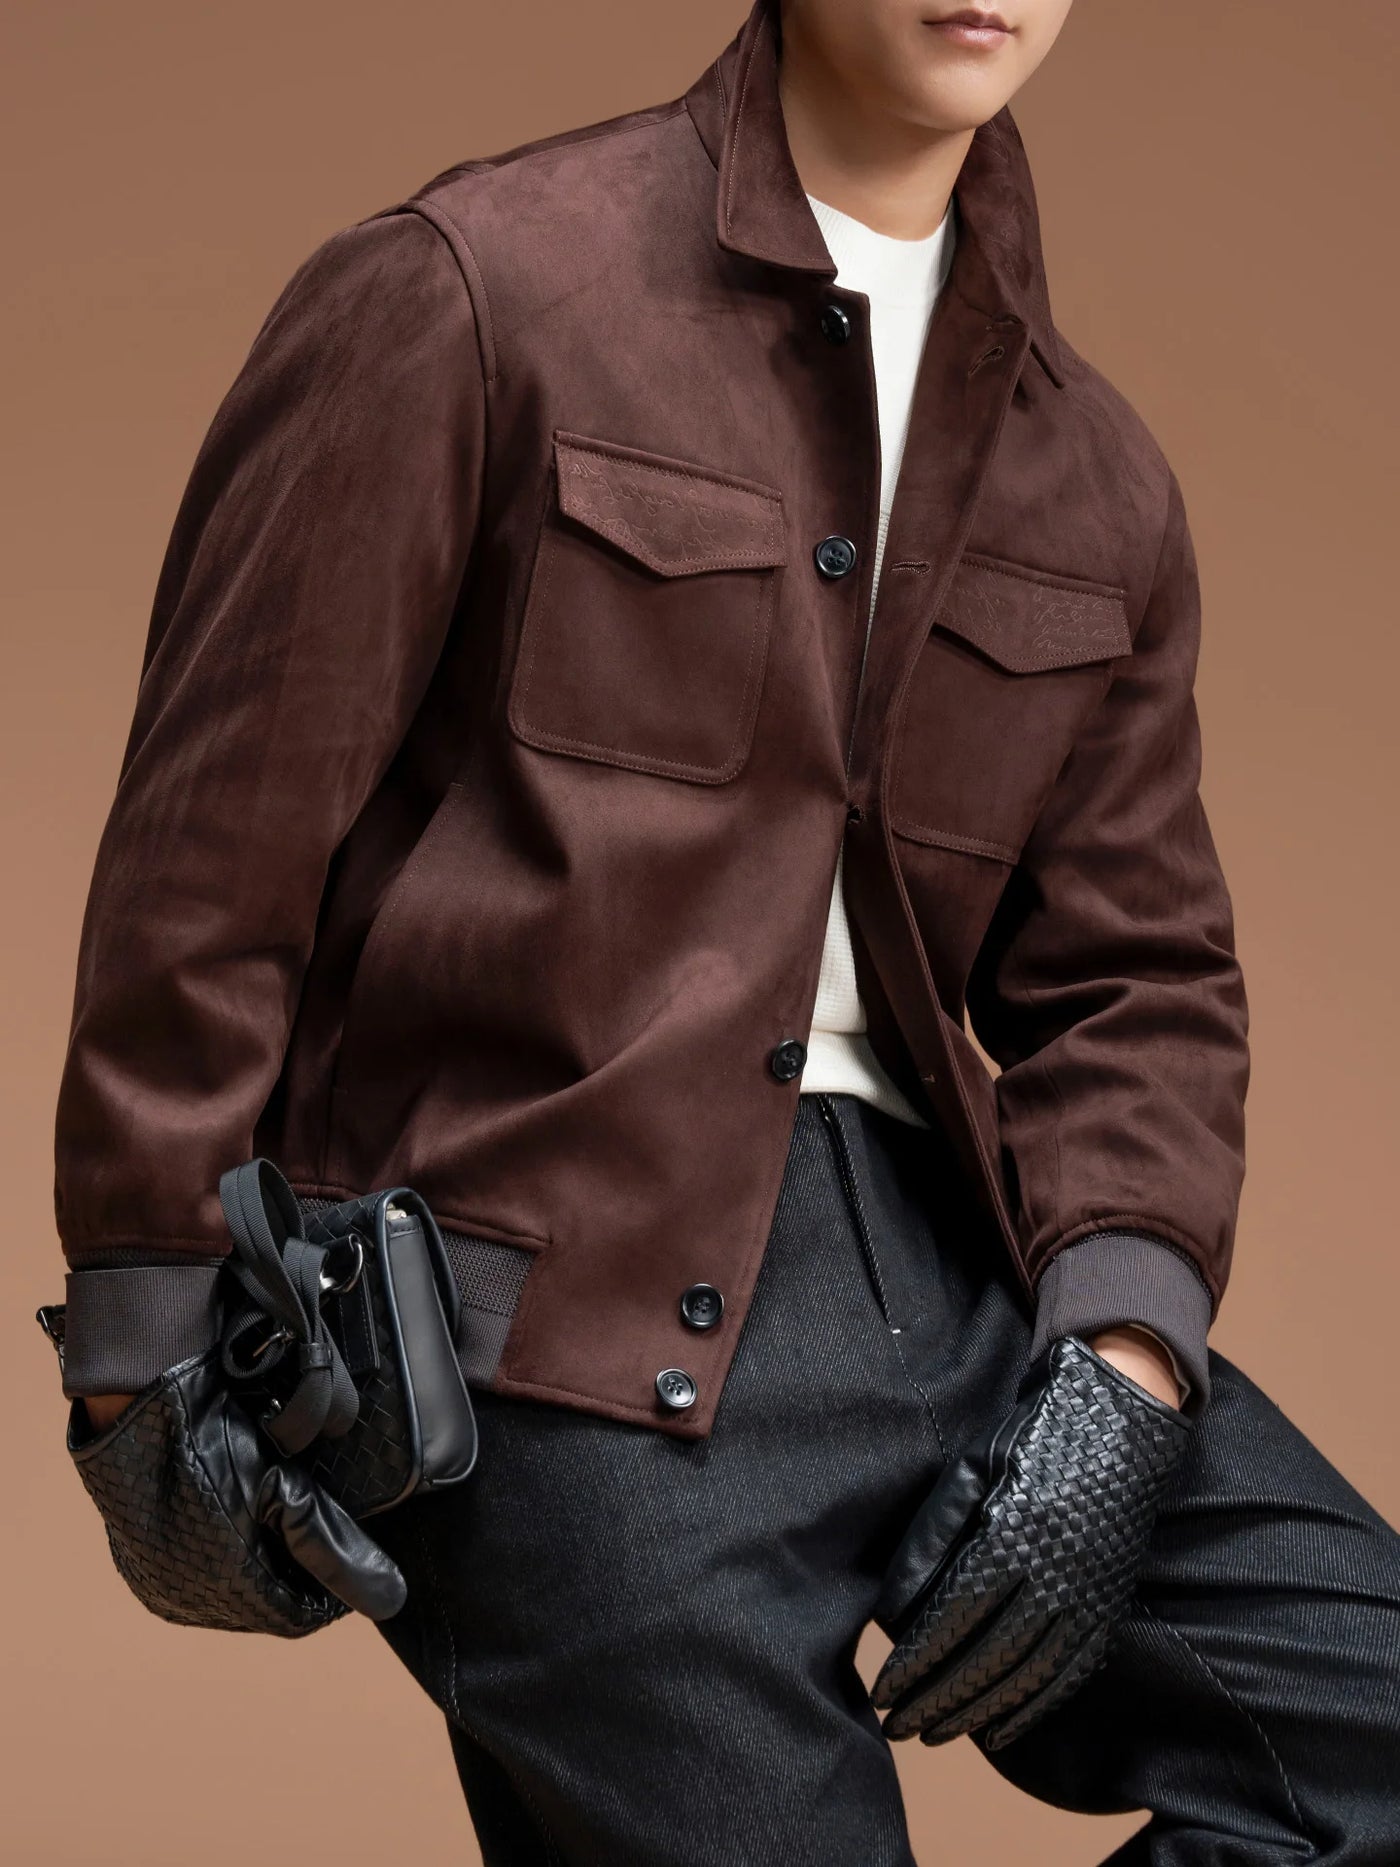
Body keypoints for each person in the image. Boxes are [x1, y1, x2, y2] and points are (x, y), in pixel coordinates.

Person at [51, 0, 1400, 1859]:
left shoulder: (1096, 475)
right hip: (559, 1333)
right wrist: (140, 1355)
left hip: (958, 1289)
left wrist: (1127, 1370)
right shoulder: (471, 291)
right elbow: (213, 852)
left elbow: (1140, 983)